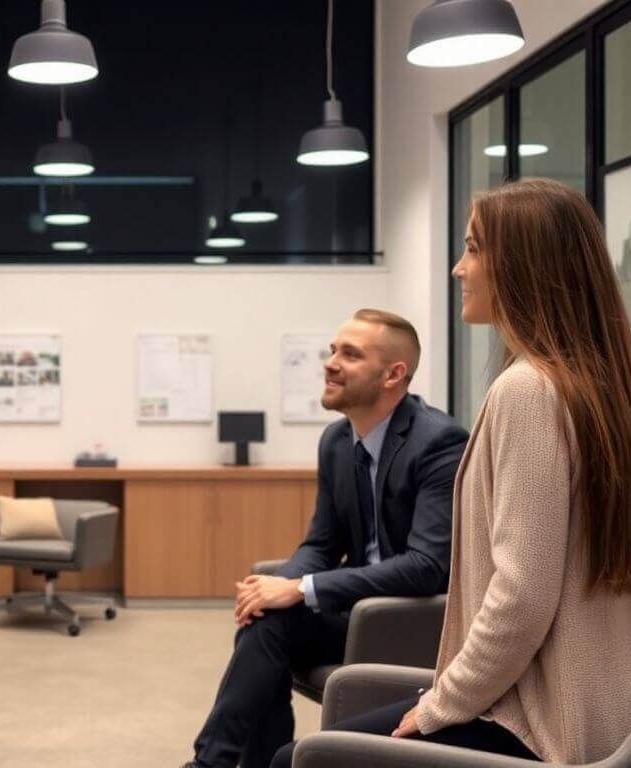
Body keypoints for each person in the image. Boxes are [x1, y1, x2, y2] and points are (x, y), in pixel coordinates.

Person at [270, 178, 631, 767]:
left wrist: (441, 703)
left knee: (296, 760)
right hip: (607, 715)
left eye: (473, 249)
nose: (459, 269)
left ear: (523, 265)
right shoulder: (606, 388)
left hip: (543, 726)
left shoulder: (528, 390)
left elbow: (520, 598)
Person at [185, 309, 469, 768]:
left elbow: (425, 566)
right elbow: (322, 542)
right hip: (357, 611)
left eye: (350, 354)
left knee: (272, 623)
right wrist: (276, 589)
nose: (331, 362)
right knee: (264, 620)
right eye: (333, 350)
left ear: (393, 374)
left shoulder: (439, 442)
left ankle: (211, 764)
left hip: (413, 620)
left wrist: (298, 588)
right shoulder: (336, 441)